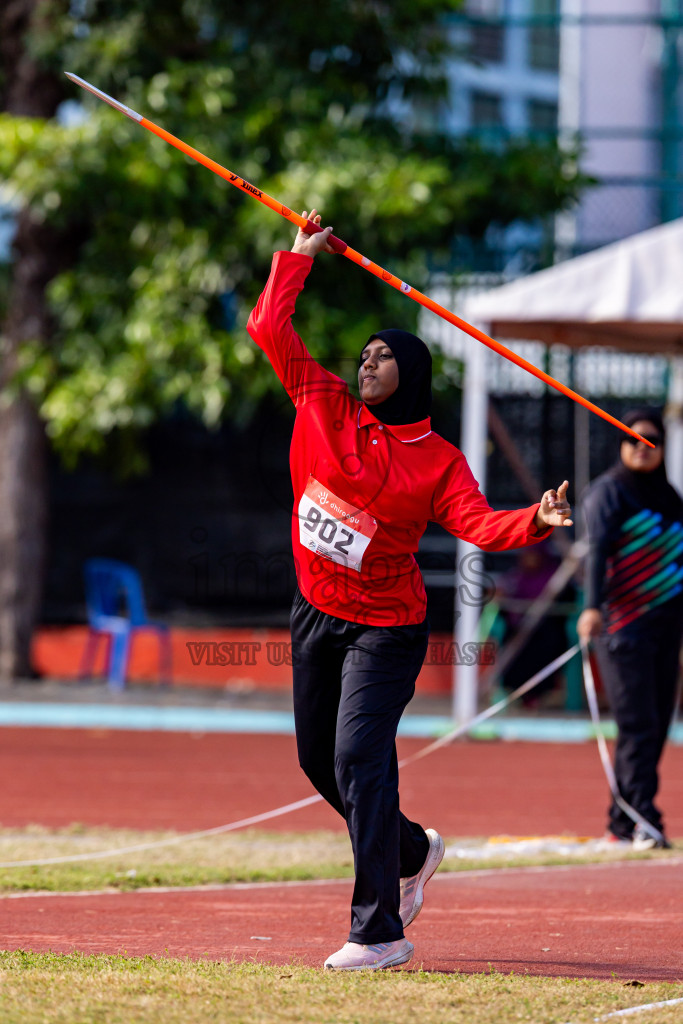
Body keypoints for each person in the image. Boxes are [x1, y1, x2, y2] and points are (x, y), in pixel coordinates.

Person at [246, 210, 573, 971]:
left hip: (385, 627)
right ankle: (414, 848)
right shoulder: (320, 402)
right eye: (362, 355)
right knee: (317, 763)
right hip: (314, 609)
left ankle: (378, 931)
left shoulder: (438, 461)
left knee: (360, 756)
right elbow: (269, 326)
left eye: (382, 357)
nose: (365, 364)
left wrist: (535, 517)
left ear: (412, 374)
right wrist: (300, 255)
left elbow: (481, 524)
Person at [577, 408, 683, 850]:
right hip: (623, 627)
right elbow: (598, 552)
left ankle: (622, 822)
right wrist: (592, 607)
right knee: (637, 724)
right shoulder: (608, 492)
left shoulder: (671, 498)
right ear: (620, 443)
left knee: (657, 726)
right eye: (634, 438)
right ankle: (644, 817)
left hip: (667, 628)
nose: (642, 446)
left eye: (651, 440)